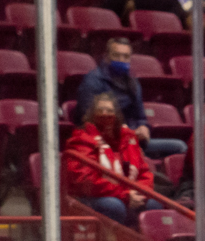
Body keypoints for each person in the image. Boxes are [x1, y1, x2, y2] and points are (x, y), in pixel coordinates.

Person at [64, 93, 164, 225]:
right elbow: (86, 180)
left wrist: (139, 193)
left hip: (125, 194)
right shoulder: (81, 139)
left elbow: (144, 172)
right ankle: (111, 239)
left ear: (117, 115)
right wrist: (124, 194)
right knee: (114, 206)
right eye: (100, 111)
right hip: (91, 196)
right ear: (92, 115)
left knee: (154, 203)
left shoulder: (129, 139)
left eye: (109, 111)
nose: (105, 115)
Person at [75, 37, 182, 159]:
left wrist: (143, 128)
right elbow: (89, 121)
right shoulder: (93, 81)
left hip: (132, 140)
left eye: (125, 57)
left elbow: (140, 117)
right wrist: (127, 134)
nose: (121, 60)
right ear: (107, 56)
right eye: (117, 55)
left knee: (179, 147)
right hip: (105, 142)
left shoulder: (132, 82)